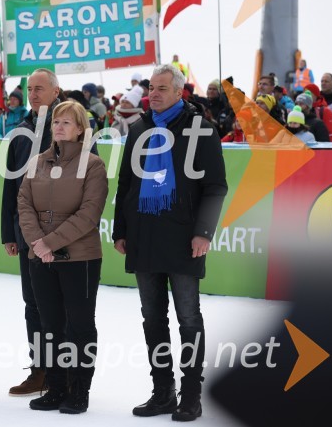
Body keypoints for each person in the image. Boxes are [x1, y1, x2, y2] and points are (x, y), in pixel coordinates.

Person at [112, 64, 227, 422]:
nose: (154, 94)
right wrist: (121, 230)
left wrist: (203, 232)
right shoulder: (139, 129)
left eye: (162, 88)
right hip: (144, 237)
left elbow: (215, 187)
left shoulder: (201, 130)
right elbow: (127, 183)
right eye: (152, 88)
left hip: (182, 238)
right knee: (152, 318)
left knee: (188, 318)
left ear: (180, 92)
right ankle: (162, 392)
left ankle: (191, 395)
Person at [17, 101, 108, 414]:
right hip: (40, 257)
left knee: (79, 325)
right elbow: (24, 205)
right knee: (50, 325)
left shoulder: (93, 165)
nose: (59, 127)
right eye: (57, 121)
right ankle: (55, 388)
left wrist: (49, 243)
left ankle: (79, 390)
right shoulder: (37, 162)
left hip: (79, 258)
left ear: (80, 129)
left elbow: (88, 214)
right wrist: (37, 244)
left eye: (67, 123)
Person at [1, 68, 61, 397]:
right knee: (33, 304)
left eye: (40, 88)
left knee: (61, 305)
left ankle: (62, 373)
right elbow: (10, 187)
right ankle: (39, 370)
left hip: (62, 236)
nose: (33, 94)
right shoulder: (20, 132)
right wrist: (8, 233)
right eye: (29, 89)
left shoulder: (72, 128)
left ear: (56, 92)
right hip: (26, 234)